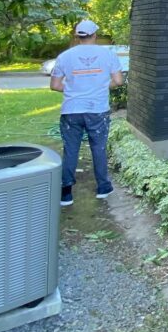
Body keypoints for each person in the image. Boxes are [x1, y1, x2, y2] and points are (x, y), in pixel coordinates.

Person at [50, 19, 124, 206]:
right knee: (98, 148)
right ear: (95, 35)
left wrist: (74, 89)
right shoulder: (107, 55)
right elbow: (118, 81)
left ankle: (66, 193)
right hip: (97, 110)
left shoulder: (65, 56)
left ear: (77, 36)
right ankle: (103, 187)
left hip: (71, 111)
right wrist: (101, 86)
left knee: (71, 150)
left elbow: (55, 85)